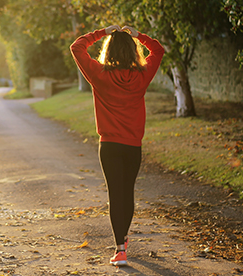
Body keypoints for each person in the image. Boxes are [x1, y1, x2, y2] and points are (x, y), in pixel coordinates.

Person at [70, 25, 164, 266]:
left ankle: (120, 249)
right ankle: (122, 239)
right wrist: (138, 36)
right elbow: (158, 50)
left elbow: (77, 47)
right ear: (133, 52)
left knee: (115, 194)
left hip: (109, 145)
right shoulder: (142, 75)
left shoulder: (99, 74)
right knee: (127, 193)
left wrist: (102, 32)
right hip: (133, 146)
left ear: (108, 51)